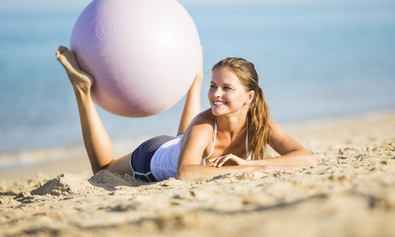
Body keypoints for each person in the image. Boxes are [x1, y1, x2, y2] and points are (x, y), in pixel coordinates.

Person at [56, 46, 315, 182]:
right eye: (212, 85)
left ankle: (195, 75)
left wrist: (249, 165)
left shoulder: (261, 125)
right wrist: (240, 171)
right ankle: (82, 89)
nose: (216, 94)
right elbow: (186, 174)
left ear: (249, 97)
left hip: (183, 140)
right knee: (102, 169)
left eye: (227, 88)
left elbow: (306, 158)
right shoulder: (204, 125)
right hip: (153, 155)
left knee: (186, 135)